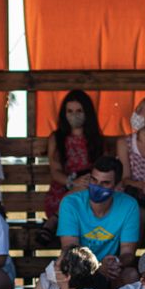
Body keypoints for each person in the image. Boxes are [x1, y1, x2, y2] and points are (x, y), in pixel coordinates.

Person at [60, 156, 140, 288]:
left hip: (111, 271)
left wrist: (116, 262)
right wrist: (97, 266)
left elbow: (128, 253)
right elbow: (70, 250)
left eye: (105, 183)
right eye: (94, 180)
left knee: (130, 275)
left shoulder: (129, 205)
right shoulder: (71, 203)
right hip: (79, 270)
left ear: (117, 186)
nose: (97, 187)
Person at [41, 91, 106, 231]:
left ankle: (54, 221)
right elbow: (55, 171)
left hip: (91, 187)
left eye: (79, 111)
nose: (74, 115)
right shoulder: (57, 138)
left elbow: (104, 167)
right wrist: (73, 182)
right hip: (63, 189)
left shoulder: (96, 139)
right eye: (70, 111)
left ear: (87, 113)